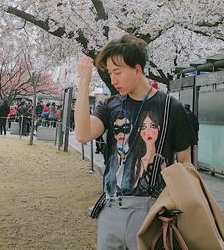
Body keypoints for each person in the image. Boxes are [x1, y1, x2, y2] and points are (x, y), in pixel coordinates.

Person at [75, 35, 195, 250]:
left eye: (118, 72)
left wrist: (176, 207)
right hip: (110, 208)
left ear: (137, 69)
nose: (113, 80)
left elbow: (185, 163)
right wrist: (83, 83)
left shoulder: (171, 107)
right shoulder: (110, 106)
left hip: (151, 211)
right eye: (110, 73)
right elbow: (83, 135)